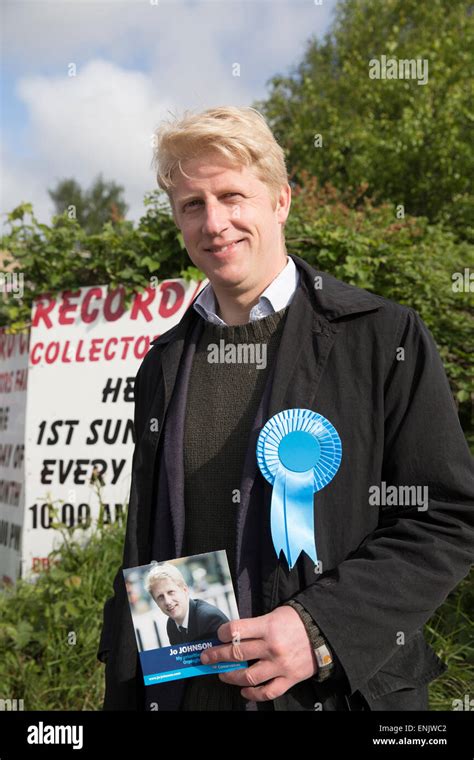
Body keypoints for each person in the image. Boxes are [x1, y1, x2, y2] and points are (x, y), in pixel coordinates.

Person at [98, 105, 474, 712]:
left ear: (280, 201)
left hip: (331, 690)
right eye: (193, 205)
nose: (214, 223)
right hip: (188, 692)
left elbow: (449, 517)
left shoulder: (383, 337)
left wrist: (320, 629)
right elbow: (148, 546)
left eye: (232, 196)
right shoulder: (162, 362)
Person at [144, 563, 229, 645]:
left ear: (185, 590)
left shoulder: (209, 618)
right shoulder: (171, 624)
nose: (167, 601)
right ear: (156, 603)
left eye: (171, 592)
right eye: (160, 597)